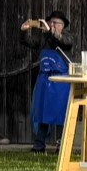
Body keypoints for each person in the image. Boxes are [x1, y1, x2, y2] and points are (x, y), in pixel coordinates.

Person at [20, 11, 73, 153]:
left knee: (62, 112)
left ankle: (61, 146)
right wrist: (23, 31)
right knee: (42, 111)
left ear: (62, 26)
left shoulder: (66, 37)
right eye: (51, 22)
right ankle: (39, 145)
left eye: (55, 23)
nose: (52, 25)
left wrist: (52, 32)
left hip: (61, 80)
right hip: (44, 79)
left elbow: (65, 43)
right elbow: (27, 42)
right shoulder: (43, 38)